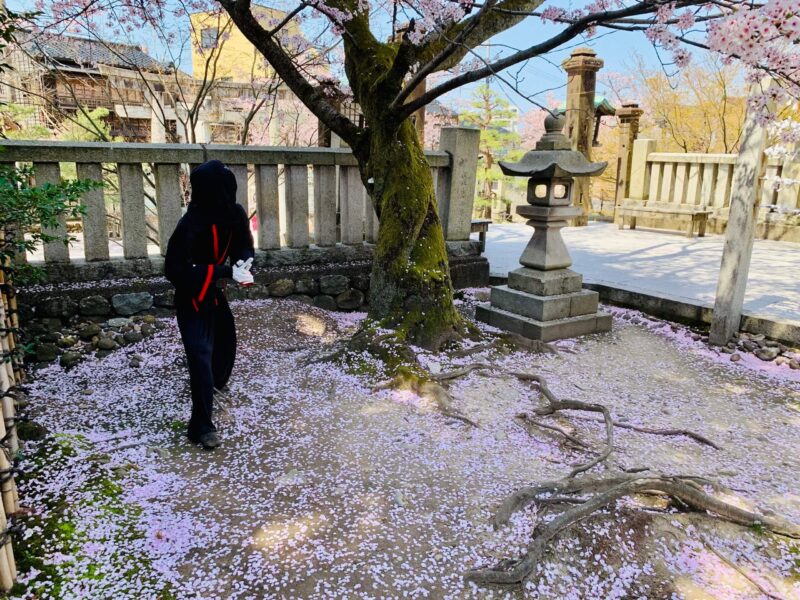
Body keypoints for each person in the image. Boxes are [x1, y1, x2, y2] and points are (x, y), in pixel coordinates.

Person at [165, 160, 254, 449]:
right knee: (200, 355)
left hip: (214, 296)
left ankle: (214, 383)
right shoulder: (190, 223)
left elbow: (243, 243)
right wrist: (223, 272)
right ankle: (201, 427)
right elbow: (175, 269)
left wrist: (243, 262)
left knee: (226, 344)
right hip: (192, 298)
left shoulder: (235, 214)